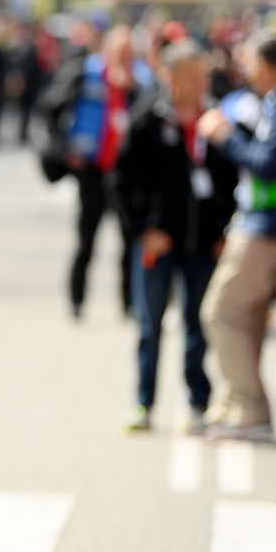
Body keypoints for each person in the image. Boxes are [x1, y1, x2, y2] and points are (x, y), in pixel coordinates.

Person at [113, 39, 238, 433]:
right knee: (150, 326)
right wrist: (142, 231)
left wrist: (223, 231)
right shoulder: (148, 119)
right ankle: (143, 404)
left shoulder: (217, 120)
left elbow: (232, 180)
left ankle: (197, 403)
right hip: (157, 245)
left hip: (203, 245)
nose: (203, 80)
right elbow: (120, 181)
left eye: (204, 73)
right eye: (194, 74)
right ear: (171, 78)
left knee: (197, 324)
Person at [197, 32, 276, 440]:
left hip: (266, 227)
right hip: (260, 223)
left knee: (219, 312)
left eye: (248, 61)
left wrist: (224, 135)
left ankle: (250, 409)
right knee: (242, 318)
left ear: (265, 65)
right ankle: (242, 408)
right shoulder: (270, 102)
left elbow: (267, 165)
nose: (243, 70)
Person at [39, 24, 149, 319]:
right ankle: (77, 300)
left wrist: (133, 90)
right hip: (91, 169)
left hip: (124, 172)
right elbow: (49, 111)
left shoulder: (140, 81)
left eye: (129, 53)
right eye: (119, 52)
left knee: (129, 240)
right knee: (87, 238)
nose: (124, 58)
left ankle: (129, 303)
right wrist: (64, 152)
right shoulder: (84, 72)